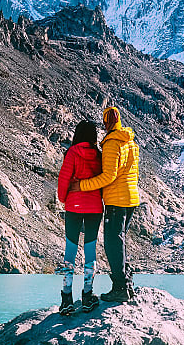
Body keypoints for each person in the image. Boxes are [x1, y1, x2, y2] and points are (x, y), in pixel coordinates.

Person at [69, 106, 140, 303]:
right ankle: (127, 284)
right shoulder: (131, 142)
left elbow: (109, 176)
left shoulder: (111, 143)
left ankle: (120, 288)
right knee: (120, 241)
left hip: (116, 200)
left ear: (106, 122)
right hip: (131, 198)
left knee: (112, 243)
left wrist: (81, 186)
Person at [56, 120, 104, 315]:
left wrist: (63, 198)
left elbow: (63, 178)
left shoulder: (72, 152)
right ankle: (87, 296)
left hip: (74, 206)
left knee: (70, 249)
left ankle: (67, 298)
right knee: (90, 251)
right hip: (94, 207)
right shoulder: (99, 155)